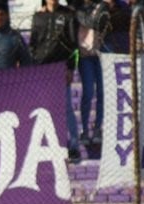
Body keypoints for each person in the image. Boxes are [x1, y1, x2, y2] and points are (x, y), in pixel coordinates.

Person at [29, 0, 81, 163]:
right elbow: (33, 43)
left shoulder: (69, 14)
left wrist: (70, 68)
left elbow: (74, 46)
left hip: (60, 68)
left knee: (65, 108)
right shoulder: (38, 16)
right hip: (41, 68)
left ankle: (73, 146)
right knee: (43, 108)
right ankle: (48, 146)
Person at [75, 0, 109, 150]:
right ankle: (84, 130)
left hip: (101, 54)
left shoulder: (102, 6)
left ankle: (97, 128)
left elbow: (102, 23)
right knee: (88, 92)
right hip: (85, 55)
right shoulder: (78, 8)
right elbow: (90, 21)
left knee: (102, 93)